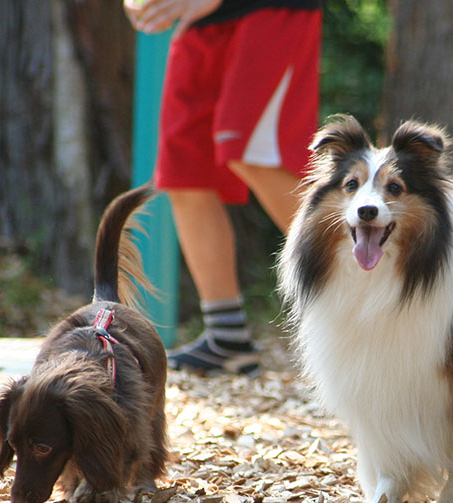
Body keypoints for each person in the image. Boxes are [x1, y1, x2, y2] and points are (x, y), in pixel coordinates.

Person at [124, 0, 322, 375]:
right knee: (184, 174)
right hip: (199, 19)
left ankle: (367, 289)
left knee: (255, 151)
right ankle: (226, 336)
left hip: (269, 10)